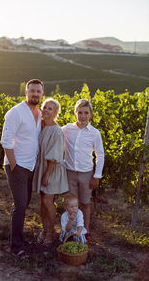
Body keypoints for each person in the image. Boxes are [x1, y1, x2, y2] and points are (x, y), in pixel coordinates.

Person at [0, 79, 44, 258]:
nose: (35, 94)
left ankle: (15, 238)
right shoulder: (16, 112)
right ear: (26, 92)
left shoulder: (39, 113)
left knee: (24, 204)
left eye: (38, 92)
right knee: (20, 205)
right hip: (17, 165)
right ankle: (16, 247)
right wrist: (14, 165)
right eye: (32, 91)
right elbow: (5, 140)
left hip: (30, 165)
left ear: (42, 94)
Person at [62, 99, 104, 243]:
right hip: (70, 172)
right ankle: (71, 230)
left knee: (85, 203)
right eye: (80, 112)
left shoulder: (95, 133)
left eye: (86, 113)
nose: (82, 116)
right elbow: (54, 132)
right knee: (71, 204)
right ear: (75, 113)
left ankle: (84, 231)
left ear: (90, 114)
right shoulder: (67, 129)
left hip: (87, 174)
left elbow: (100, 154)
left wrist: (97, 176)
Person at [33, 98, 69, 245]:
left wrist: (47, 174)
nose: (46, 110)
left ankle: (50, 232)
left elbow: (54, 157)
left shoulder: (56, 131)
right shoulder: (40, 127)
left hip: (51, 170)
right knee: (42, 202)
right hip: (42, 168)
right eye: (45, 107)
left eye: (50, 109)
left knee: (48, 201)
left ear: (55, 113)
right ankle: (44, 228)